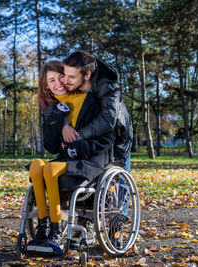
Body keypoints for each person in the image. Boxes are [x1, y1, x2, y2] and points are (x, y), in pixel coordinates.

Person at [26, 60, 115, 255]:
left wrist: (80, 146)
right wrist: (60, 122)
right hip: (67, 159)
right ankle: (43, 230)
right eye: (52, 80)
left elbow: (108, 136)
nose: (58, 83)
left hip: (92, 159)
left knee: (49, 169)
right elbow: (50, 146)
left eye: (61, 77)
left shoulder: (89, 99)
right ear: (45, 85)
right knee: (36, 165)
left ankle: (56, 231)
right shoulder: (52, 108)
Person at [61, 50, 133, 247]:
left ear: (87, 75)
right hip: (89, 140)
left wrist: (80, 134)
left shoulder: (108, 86)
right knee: (87, 178)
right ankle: (85, 221)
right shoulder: (70, 82)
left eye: (71, 76)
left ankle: (116, 227)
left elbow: (109, 120)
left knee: (118, 182)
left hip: (118, 138)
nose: (66, 80)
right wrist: (64, 126)